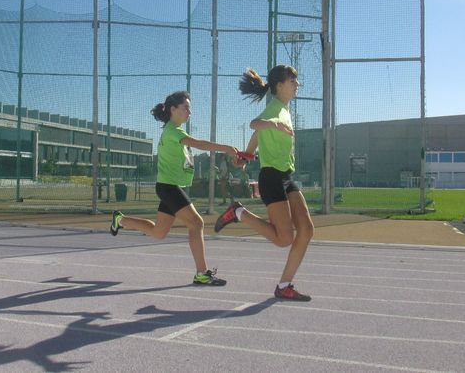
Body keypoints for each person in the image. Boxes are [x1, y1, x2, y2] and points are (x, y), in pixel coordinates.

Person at [110, 91, 239, 286]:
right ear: (173, 109)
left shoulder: (174, 131)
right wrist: (226, 148)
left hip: (170, 187)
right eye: (186, 107)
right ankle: (202, 273)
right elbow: (198, 144)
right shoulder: (173, 131)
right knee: (196, 223)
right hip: (168, 187)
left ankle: (121, 219)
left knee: (159, 232)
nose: (190, 112)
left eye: (189, 108)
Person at [215, 66, 314, 301]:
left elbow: (258, 136)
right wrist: (273, 125)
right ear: (279, 85)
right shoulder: (276, 110)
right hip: (271, 178)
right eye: (293, 80)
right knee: (284, 239)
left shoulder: (283, 109)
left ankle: (284, 286)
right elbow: (255, 124)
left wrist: (247, 155)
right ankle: (239, 213)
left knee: (307, 230)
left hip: (285, 176)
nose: (297, 84)